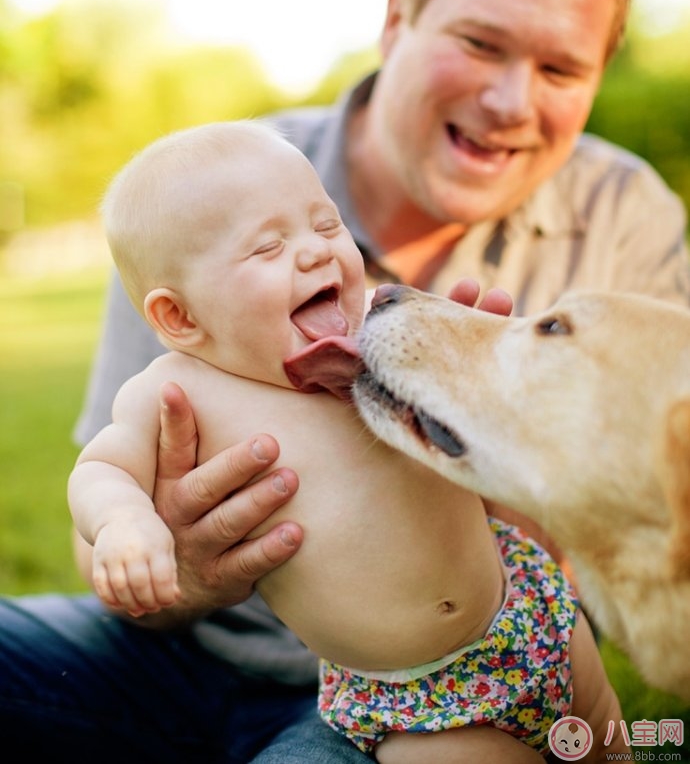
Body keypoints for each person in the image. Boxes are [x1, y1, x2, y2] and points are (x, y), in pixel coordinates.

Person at [2, 0, 689, 762]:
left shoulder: (625, 220)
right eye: (482, 43)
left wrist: (507, 459)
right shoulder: (207, 198)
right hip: (173, 652)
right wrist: (165, 561)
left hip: (425, 684)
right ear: (397, 16)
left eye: (560, 67)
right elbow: (102, 504)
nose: (513, 101)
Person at [67, 119, 625, 762]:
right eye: (268, 247)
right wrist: (124, 524)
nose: (315, 252)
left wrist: (486, 379)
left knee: (608, 741)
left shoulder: (386, 332)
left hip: (531, 608)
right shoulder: (179, 392)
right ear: (180, 317)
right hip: (424, 707)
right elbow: (101, 468)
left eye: (326, 224)